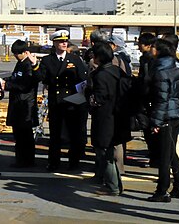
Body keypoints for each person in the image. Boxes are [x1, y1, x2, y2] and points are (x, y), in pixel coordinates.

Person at [33, 29, 88, 171]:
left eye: (66, 41)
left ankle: (73, 161)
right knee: (55, 134)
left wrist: (79, 99)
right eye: (61, 41)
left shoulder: (74, 59)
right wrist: (35, 66)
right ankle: (53, 162)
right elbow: (42, 78)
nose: (64, 43)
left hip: (72, 102)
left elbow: (83, 79)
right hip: (56, 101)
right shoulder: (47, 60)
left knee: (73, 133)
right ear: (55, 43)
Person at [147, 37, 179, 202]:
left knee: (164, 156)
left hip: (166, 116)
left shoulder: (161, 71)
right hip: (175, 113)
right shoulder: (174, 67)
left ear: (159, 50)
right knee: (170, 151)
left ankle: (162, 190)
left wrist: (156, 122)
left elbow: (162, 99)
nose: (150, 49)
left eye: (153, 47)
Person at [86, 41, 123, 196]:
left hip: (104, 117)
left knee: (104, 152)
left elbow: (98, 99)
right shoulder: (117, 71)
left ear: (99, 57)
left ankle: (113, 186)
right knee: (109, 149)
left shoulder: (100, 75)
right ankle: (107, 180)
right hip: (118, 115)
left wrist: (88, 95)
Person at [4, 40, 39, 167]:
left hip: (25, 104)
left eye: (17, 54)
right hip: (18, 103)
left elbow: (25, 85)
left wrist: (7, 85)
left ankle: (27, 160)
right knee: (18, 134)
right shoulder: (20, 63)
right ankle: (21, 159)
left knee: (25, 135)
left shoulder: (28, 65)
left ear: (25, 52)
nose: (15, 56)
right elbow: (15, 78)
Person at [136, 32, 160, 168]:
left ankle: (155, 156)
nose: (138, 46)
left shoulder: (150, 60)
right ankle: (154, 156)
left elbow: (146, 80)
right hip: (146, 99)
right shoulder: (145, 59)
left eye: (140, 44)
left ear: (148, 45)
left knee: (150, 130)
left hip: (148, 100)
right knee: (149, 130)